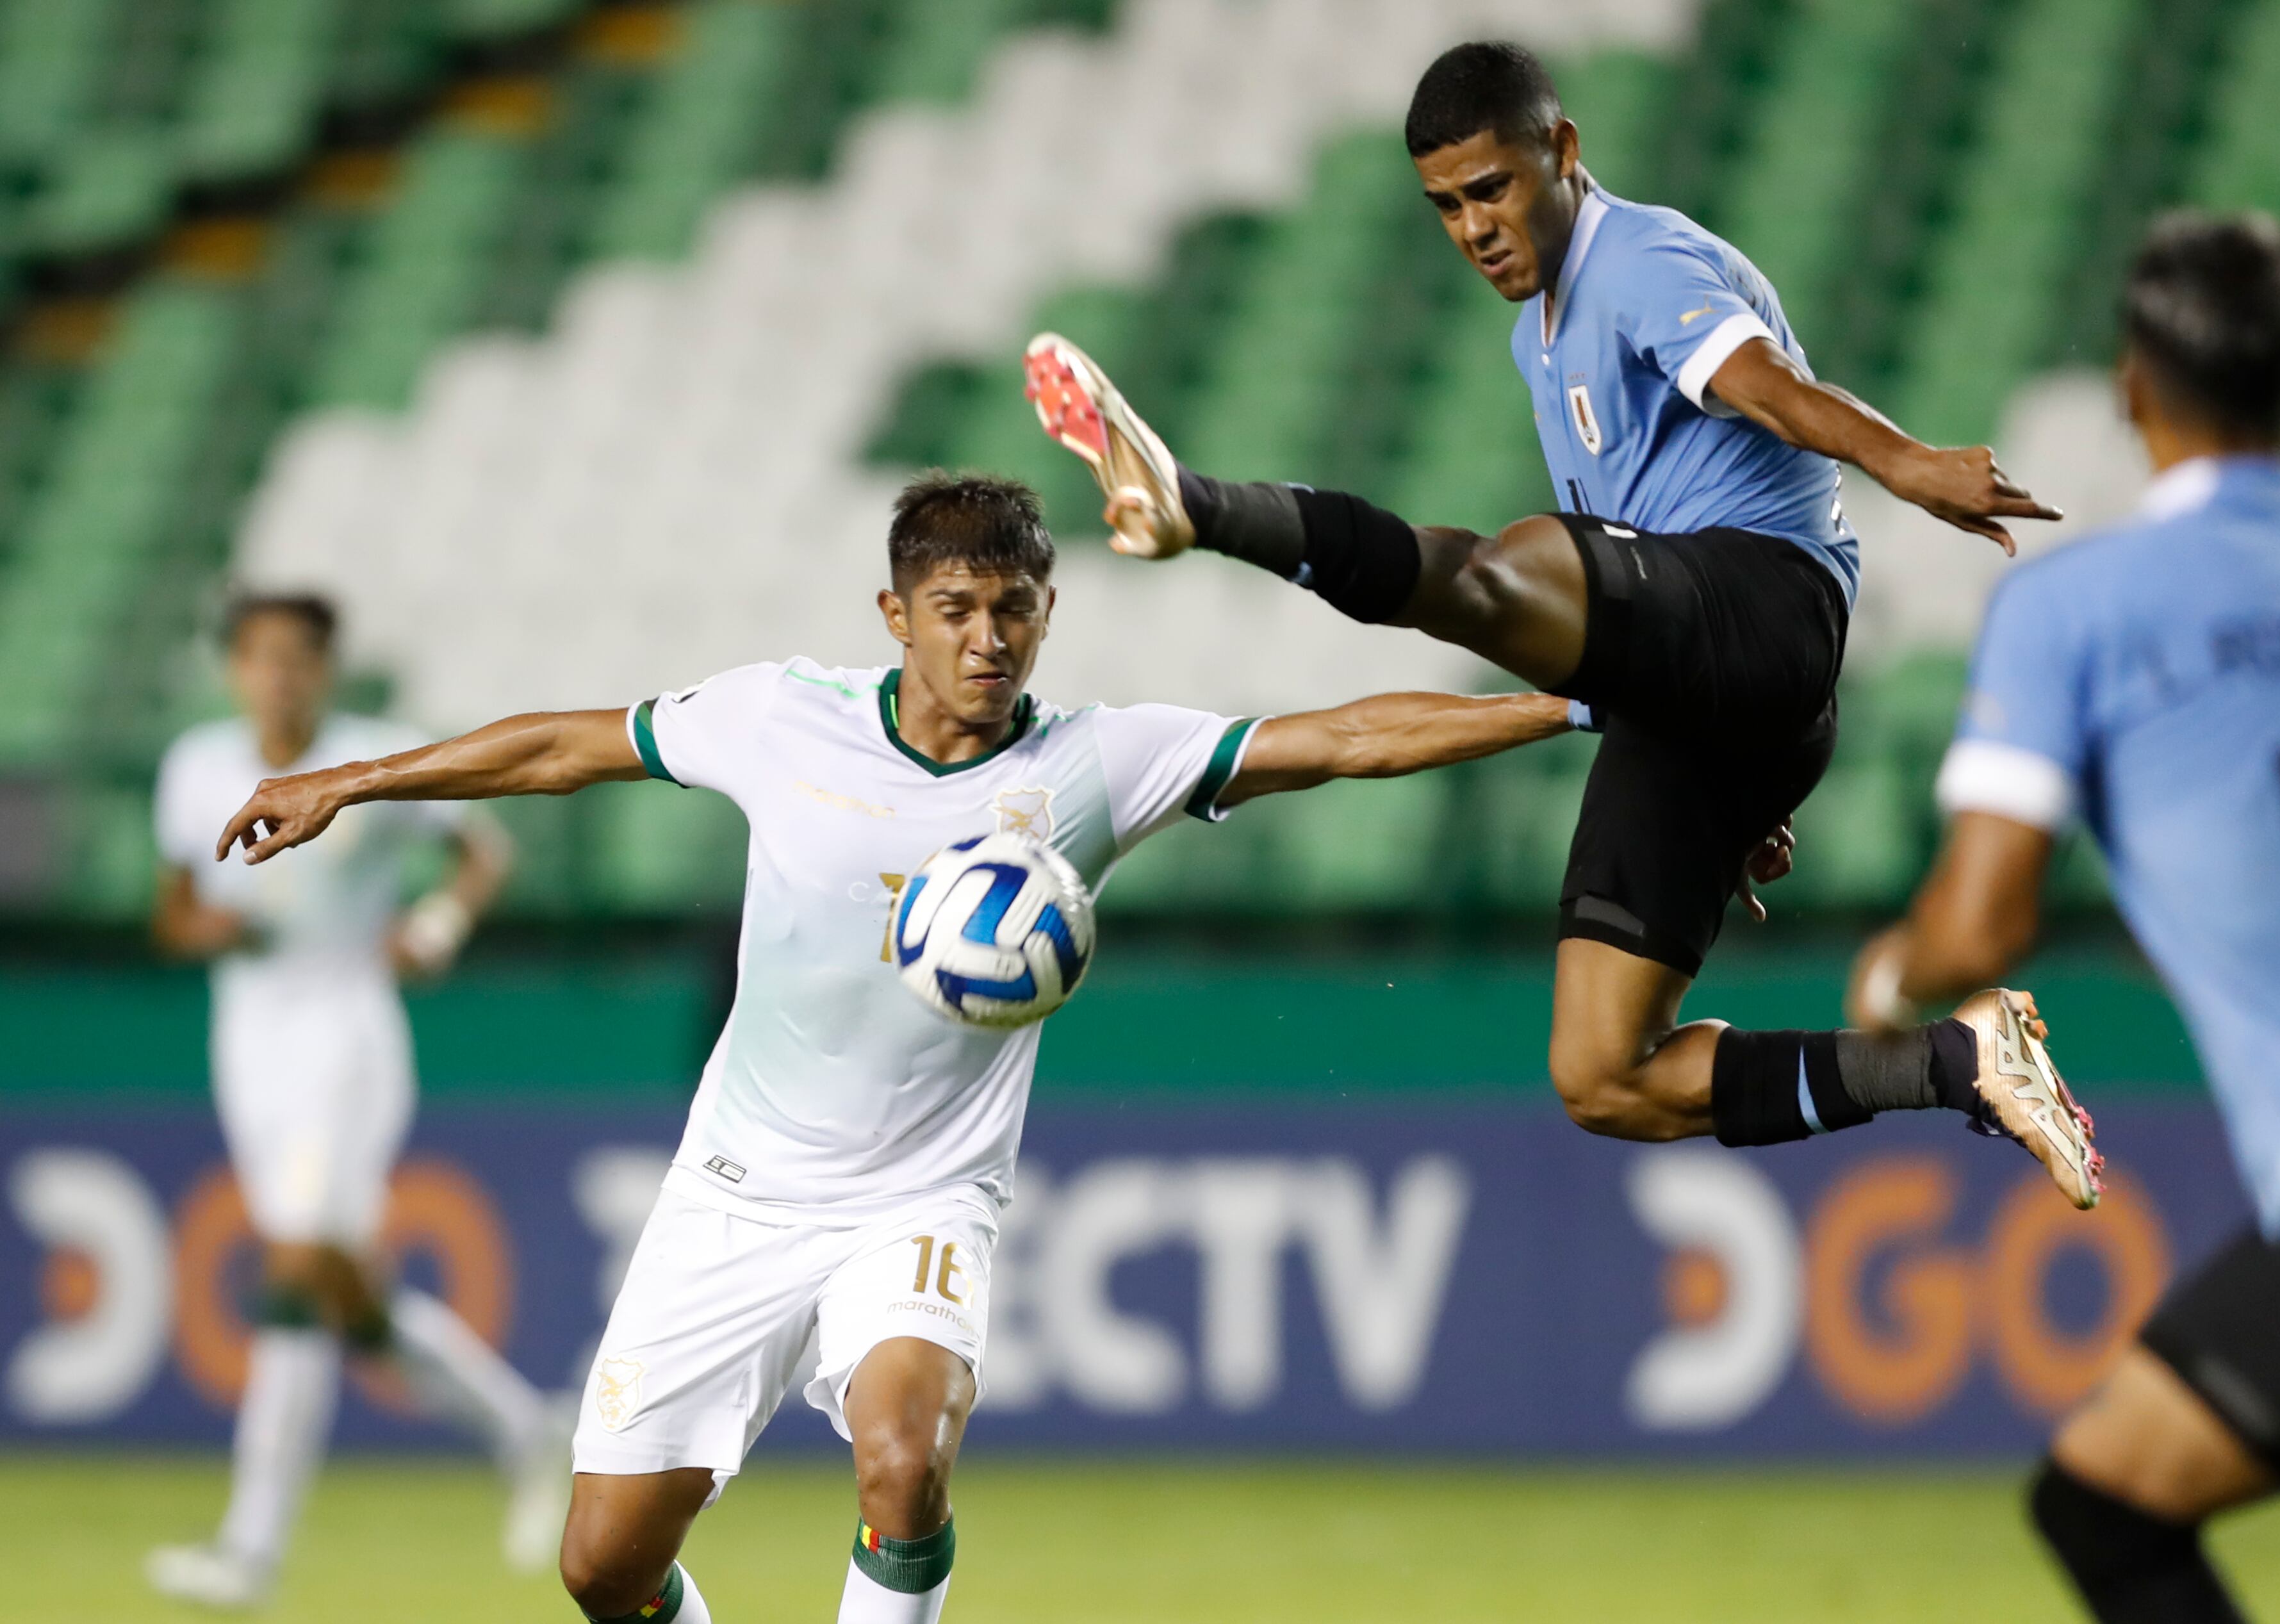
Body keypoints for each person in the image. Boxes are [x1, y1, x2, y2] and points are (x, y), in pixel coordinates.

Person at [211, 473, 1579, 1624]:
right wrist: (351, 781)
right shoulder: (780, 716)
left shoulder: (1097, 765)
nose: (989, 640)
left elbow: (1343, 738)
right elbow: (562, 749)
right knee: (602, 1565)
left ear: (1048, 614)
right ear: (896, 616)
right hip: (737, 1191)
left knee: (903, 1459)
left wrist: (1573, 710)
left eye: (1016, 608)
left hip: (921, 1202)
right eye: (957, 609)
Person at [1022, 40, 2097, 1204]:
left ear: (1563, 150)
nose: (1473, 227)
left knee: (1500, 574)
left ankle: (1200, 506)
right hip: (1707, 696)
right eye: (1446, 206)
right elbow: (1625, 614)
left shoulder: (1637, 259)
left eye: (1491, 188)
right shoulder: (1535, 336)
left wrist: (1904, 461)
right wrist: (1738, 768)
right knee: (1603, 1076)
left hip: (1767, 603)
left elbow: (1765, 387)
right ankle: (1955, 1062)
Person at [1846, 212, 2280, 1620]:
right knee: (2105, 1497)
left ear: (2128, 390)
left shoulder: (2076, 613)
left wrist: (1887, 984)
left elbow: (1979, 928)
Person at [147, 592, 564, 1608]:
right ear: (234, 669)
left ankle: (249, 1553)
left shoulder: (370, 761)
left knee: (293, 1267)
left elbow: (483, 853)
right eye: (261, 658)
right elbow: (174, 911)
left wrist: (435, 926)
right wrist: (209, 932)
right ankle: (526, 1431)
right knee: (343, 1295)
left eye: (299, 658)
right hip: (248, 1044)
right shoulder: (196, 768)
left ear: (327, 669)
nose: (280, 677)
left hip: (345, 1034)